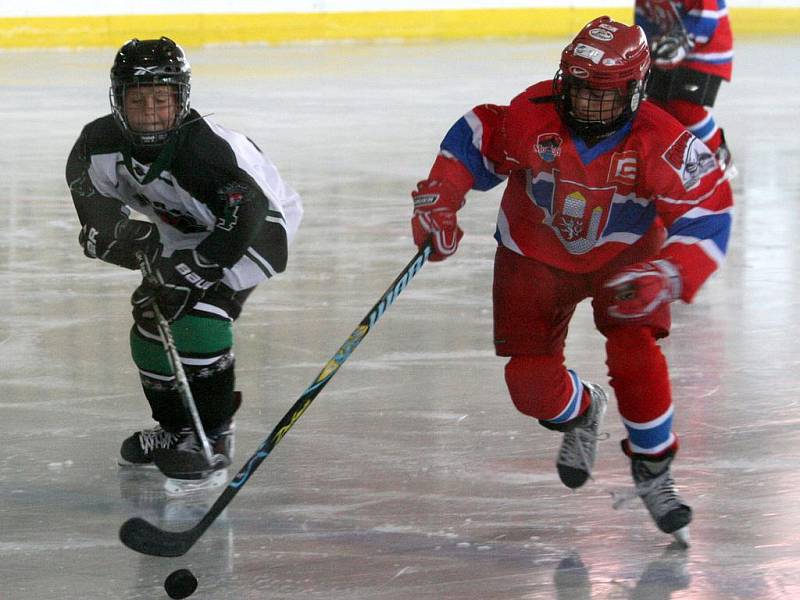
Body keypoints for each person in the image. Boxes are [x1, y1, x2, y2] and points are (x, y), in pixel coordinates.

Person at [410, 17, 732, 544]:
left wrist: (669, 272)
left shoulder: (662, 139)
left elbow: (708, 211)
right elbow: (477, 134)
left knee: (636, 352)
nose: (583, 103)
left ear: (634, 91)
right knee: (529, 387)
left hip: (625, 259)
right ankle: (583, 410)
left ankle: (654, 470)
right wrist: (442, 197)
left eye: (601, 94)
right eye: (576, 87)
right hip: (533, 254)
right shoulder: (532, 114)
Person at [66, 37, 303, 488]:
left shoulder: (202, 151)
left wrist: (195, 272)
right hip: (190, 230)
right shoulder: (96, 145)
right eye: (139, 101)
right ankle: (176, 430)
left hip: (259, 227)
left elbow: (248, 210)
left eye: (162, 99)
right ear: (118, 101)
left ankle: (212, 439)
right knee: (150, 320)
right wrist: (124, 240)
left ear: (182, 98)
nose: (152, 112)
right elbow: (97, 215)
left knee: (197, 319)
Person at [635, 0, 735, 176]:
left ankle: (718, 156)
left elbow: (708, 19)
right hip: (670, 51)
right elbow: (643, 26)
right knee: (656, 108)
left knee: (686, 108)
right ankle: (665, 166)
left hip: (706, 52)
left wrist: (683, 42)